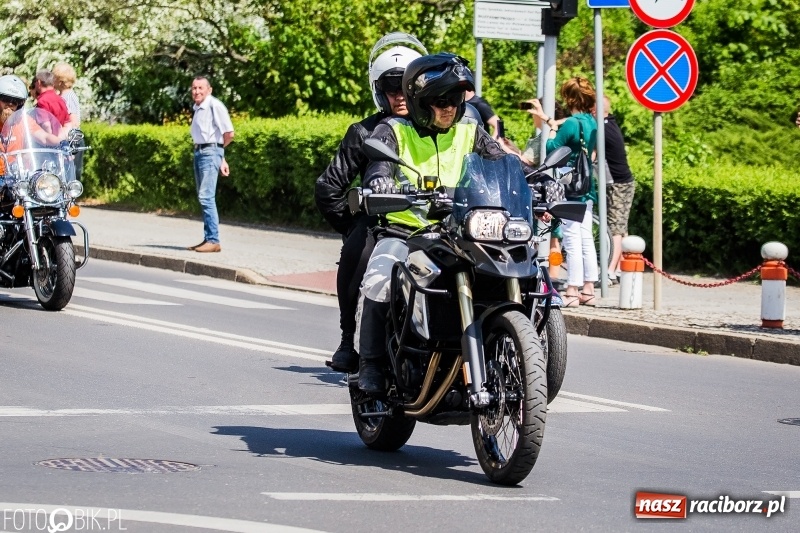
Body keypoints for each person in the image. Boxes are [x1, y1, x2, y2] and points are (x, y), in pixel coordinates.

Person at [355, 53, 516, 393]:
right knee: (380, 277)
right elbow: (378, 168)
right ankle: (369, 364)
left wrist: (533, 181)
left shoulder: (470, 130)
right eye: (440, 100)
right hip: (405, 232)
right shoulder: (394, 130)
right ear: (420, 101)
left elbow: (501, 163)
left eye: (456, 100)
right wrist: (380, 182)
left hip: (459, 230)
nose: (449, 108)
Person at [315, 33, 426, 373]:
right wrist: (351, 228)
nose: (399, 95)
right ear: (380, 90)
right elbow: (328, 187)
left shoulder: (438, 127)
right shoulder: (363, 132)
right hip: (382, 222)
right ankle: (350, 339)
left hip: (434, 217)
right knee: (357, 251)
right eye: (391, 88)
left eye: (405, 86)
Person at [530, 77, 598, 307]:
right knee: (586, 237)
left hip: (569, 186)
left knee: (571, 237)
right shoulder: (591, 121)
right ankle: (589, 288)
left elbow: (551, 148)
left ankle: (571, 289)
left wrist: (549, 132)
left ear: (569, 98)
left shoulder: (571, 123)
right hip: (587, 187)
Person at [188, 75, 234, 253]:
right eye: (194, 88)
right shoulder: (198, 107)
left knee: (206, 197)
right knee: (203, 197)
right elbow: (212, 135)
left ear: (209, 90)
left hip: (209, 152)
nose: (197, 91)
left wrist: (217, 153)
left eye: (200, 88)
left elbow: (228, 133)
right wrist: (221, 157)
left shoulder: (215, 105)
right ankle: (208, 239)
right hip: (201, 151)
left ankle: (214, 240)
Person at [593, 95, 634, 284]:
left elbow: (592, 154)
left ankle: (609, 271)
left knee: (615, 229)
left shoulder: (603, 129)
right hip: (621, 182)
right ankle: (618, 268)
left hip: (618, 183)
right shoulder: (610, 123)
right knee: (621, 225)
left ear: (594, 111)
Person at [0, 75, 62, 173]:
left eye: (16, 101)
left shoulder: (23, 120)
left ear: (20, 105)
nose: (10, 104)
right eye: (6, 99)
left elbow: (44, 137)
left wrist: (61, 142)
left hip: (17, 176)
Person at [52, 62, 85, 181]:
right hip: (65, 140)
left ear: (60, 81)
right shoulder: (62, 96)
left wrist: (70, 144)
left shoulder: (68, 96)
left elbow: (73, 122)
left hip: (72, 141)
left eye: (54, 78)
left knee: (71, 174)